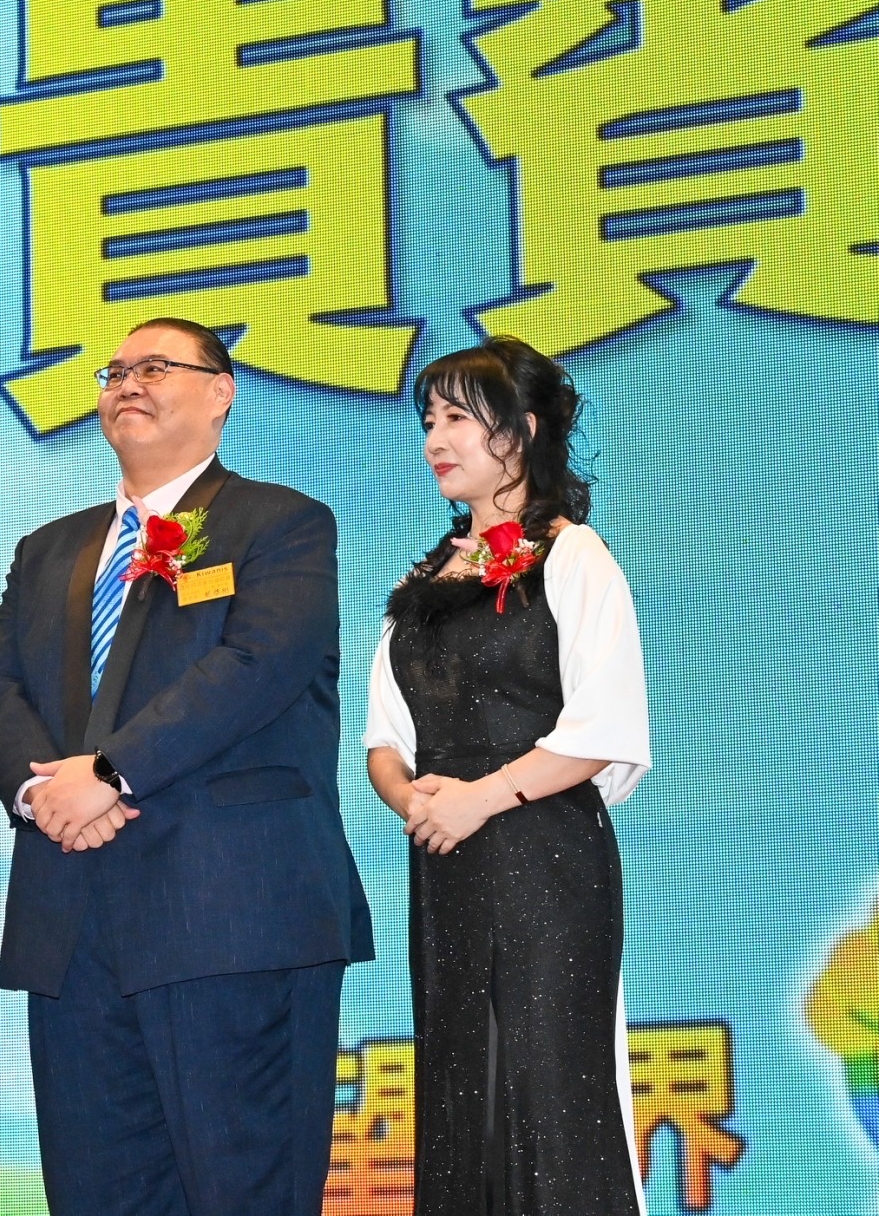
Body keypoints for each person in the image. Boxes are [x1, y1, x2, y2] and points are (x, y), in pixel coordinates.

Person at [0, 317, 372, 1216]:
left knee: (245, 1188)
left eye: (155, 366)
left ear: (221, 392)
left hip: (231, 914)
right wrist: (44, 791)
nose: (127, 384)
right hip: (73, 918)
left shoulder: (282, 523)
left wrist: (109, 772)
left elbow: (257, 666)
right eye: (114, 371)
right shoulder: (49, 549)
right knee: (96, 1192)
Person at [363, 337, 649, 1215]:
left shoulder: (575, 556)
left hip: (544, 860)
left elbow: (603, 730)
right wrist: (413, 798)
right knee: (460, 1086)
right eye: (428, 419)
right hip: (447, 861)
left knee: (549, 1084)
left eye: (457, 417)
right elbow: (385, 738)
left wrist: (480, 799)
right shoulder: (423, 579)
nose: (434, 440)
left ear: (521, 431)